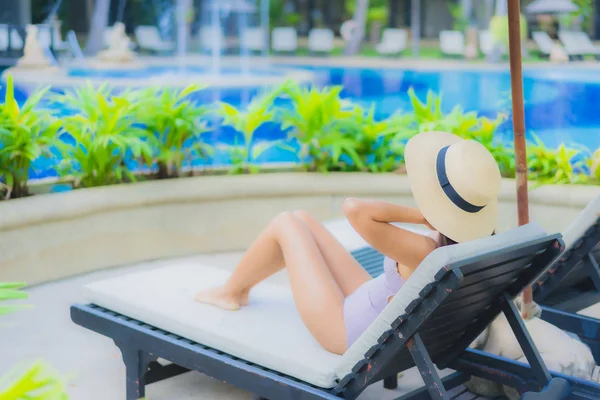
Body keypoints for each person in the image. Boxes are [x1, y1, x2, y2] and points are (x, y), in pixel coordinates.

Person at [195, 131, 502, 355]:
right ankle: (241, 288)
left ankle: (230, 292)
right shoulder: (469, 244)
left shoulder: (424, 250)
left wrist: (421, 216)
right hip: (368, 302)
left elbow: (354, 209)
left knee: (285, 224)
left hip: (345, 330)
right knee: (301, 219)